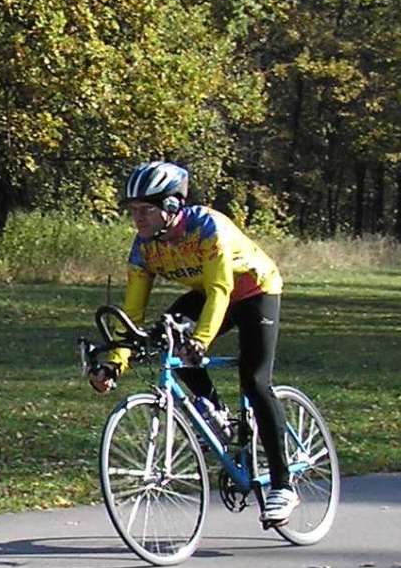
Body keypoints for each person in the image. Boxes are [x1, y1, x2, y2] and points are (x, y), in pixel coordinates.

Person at [88, 160, 298, 525]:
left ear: (172, 206)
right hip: (208, 293)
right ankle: (217, 414)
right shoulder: (144, 248)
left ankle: (283, 485)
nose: (137, 218)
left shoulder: (206, 227)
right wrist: (115, 364)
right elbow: (132, 315)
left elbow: (220, 289)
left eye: (146, 209)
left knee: (254, 380)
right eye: (133, 210)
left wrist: (201, 340)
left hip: (254, 292)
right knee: (168, 340)